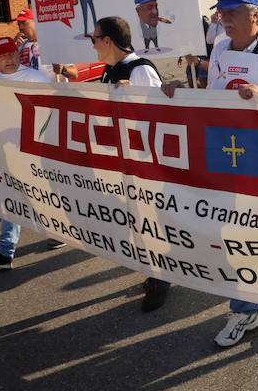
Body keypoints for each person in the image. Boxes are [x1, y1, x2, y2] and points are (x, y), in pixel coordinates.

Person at [162, 0, 258, 346]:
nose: (223, 19)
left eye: (232, 12)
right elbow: (215, 98)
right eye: (222, 12)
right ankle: (244, 309)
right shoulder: (218, 48)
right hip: (227, 152)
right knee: (233, 232)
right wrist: (178, 93)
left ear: (254, 14)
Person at [90, 16, 167, 310]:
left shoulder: (140, 70)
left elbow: (160, 117)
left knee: (151, 223)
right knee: (137, 223)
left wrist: (132, 99)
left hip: (145, 164)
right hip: (123, 160)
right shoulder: (110, 71)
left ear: (108, 40)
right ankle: (152, 272)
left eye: (95, 38)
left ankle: (161, 280)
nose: (93, 44)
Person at [0, 37, 53, 270]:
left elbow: (52, 113)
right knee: (12, 196)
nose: (8, 59)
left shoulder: (34, 78)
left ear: (18, 54)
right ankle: (5, 252)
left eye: (11, 54)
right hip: (10, 152)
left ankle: (64, 231)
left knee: (44, 195)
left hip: (37, 152)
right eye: (2, 55)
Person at [12, 8, 77, 81]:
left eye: (24, 23)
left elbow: (74, 74)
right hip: (30, 91)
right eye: (18, 24)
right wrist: (12, 48)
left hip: (51, 91)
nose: (20, 27)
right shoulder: (19, 46)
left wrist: (63, 70)